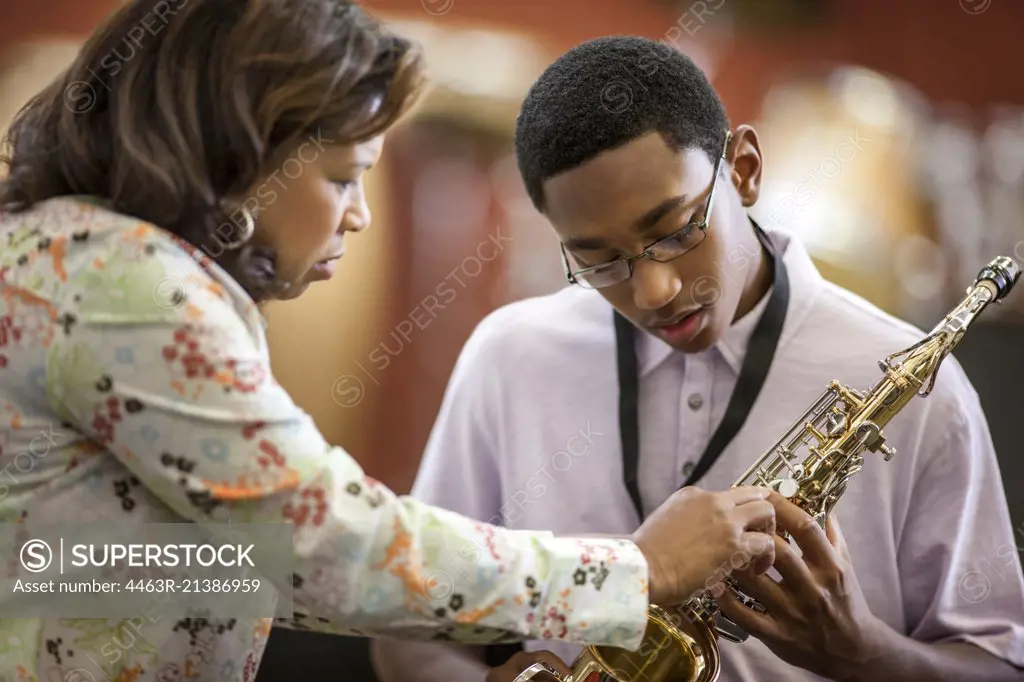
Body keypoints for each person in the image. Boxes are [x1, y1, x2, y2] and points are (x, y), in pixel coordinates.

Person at [0, 8, 784, 682]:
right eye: (344, 176)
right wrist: (635, 572)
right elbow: (327, 544)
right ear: (241, 151)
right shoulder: (130, 289)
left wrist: (479, 628)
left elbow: (134, 566)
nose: (359, 216)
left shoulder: (75, 255)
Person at [370, 36, 1024, 682]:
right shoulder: (507, 356)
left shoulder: (916, 383)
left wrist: (861, 654)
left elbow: (999, 664)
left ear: (743, 169)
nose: (654, 292)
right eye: (599, 262)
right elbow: (409, 624)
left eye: (678, 229)